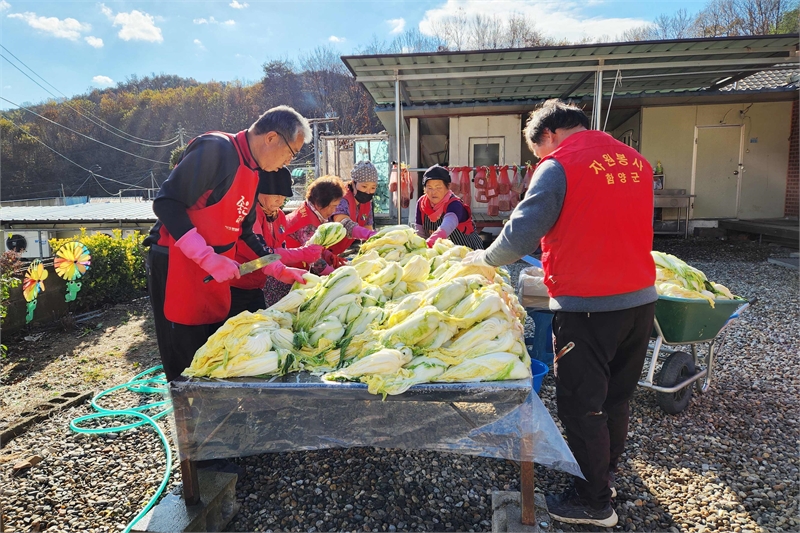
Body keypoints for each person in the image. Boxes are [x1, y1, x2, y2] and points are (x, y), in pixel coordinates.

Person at [462, 99, 656, 528]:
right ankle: (604, 477)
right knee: (615, 397)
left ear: (549, 135)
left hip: (589, 305)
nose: (539, 159)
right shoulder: (635, 161)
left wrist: (484, 259)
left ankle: (593, 503)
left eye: (537, 151)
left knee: (580, 404)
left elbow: (522, 233)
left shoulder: (560, 164)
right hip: (640, 298)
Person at [144, 105, 311, 382]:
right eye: (291, 153)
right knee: (184, 360)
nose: (287, 163)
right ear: (271, 138)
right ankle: (187, 408)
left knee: (214, 354)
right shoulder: (217, 149)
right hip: (177, 265)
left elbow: (246, 233)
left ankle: (212, 406)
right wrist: (207, 257)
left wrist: (275, 267)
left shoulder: (253, 173)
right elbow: (166, 202)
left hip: (212, 272)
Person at [227, 167, 325, 316]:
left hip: (258, 286)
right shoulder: (249, 215)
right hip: (235, 286)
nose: (280, 200)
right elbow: (265, 253)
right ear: (259, 192)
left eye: (283, 196)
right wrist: (301, 254)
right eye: (275, 195)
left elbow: (279, 252)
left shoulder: (279, 216)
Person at [411, 164, 484, 250]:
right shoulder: (421, 203)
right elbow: (419, 232)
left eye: (438, 187)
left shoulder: (454, 204)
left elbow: (447, 226)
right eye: (429, 188)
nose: (433, 192)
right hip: (440, 252)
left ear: (448, 187)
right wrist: (420, 249)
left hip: (467, 251)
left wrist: (428, 244)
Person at [284, 175, 346, 275]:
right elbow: (314, 261)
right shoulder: (308, 225)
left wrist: (328, 255)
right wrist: (336, 275)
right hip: (288, 272)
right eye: (333, 206)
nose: (334, 210)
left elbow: (314, 245)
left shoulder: (308, 209)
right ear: (320, 202)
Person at [328, 160, 379, 255]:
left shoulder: (367, 203)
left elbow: (367, 228)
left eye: (373, 188)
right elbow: (343, 224)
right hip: (321, 251)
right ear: (353, 183)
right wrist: (370, 234)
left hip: (336, 253)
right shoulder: (342, 197)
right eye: (364, 186)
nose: (368, 192)